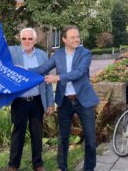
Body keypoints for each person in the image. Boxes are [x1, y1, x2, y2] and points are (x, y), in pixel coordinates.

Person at [32, 25, 99, 171]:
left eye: (77, 36)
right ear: (64, 39)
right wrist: (23, 71)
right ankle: (62, 167)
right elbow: (42, 69)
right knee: (63, 138)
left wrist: (57, 77)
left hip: (84, 100)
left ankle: (89, 168)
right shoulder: (58, 55)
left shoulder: (85, 53)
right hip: (65, 101)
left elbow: (79, 72)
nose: (76, 39)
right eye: (72, 37)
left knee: (90, 139)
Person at [8, 28, 54, 171]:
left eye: (30, 39)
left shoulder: (42, 55)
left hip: (37, 101)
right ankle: (13, 165)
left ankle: (38, 164)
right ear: (20, 40)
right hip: (19, 102)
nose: (27, 41)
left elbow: (47, 80)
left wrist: (50, 103)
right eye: (24, 39)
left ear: (35, 40)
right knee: (17, 134)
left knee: (37, 134)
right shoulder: (13, 53)